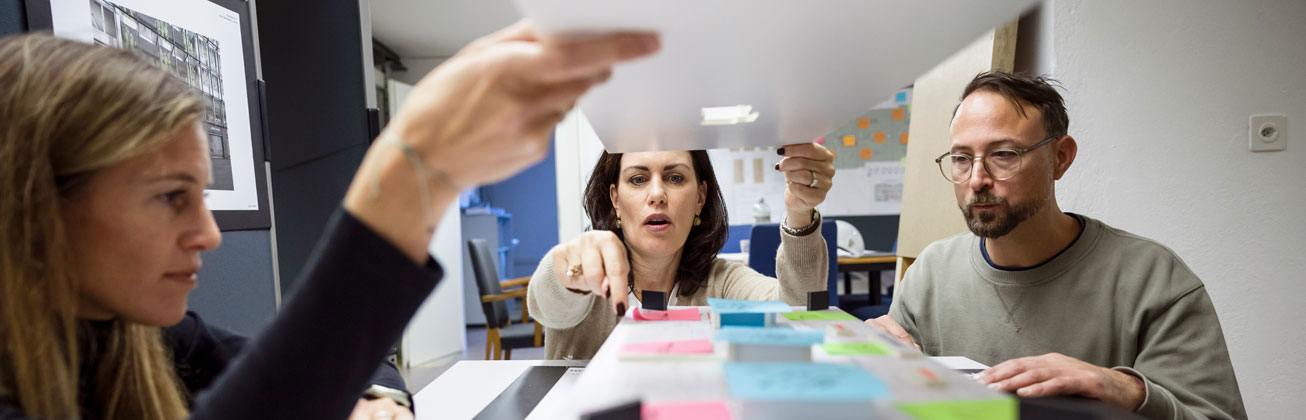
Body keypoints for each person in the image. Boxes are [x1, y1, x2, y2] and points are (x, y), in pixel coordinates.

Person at [0, 22, 658, 420]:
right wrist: (405, 180)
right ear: (36, 207)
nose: (209, 235)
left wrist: (381, 402)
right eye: (171, 196)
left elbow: (323, 369)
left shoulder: (149, 338)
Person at [864, 72, 1246, 420]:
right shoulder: (930, 273)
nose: (977, 179)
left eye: (1003, 155)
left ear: (1060, 158)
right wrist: (859, 362)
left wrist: (1129, 391)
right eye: (962, 158)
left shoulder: (1153, 279)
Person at [526, 144, 835, 360]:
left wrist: (799, 211)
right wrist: (569, 275)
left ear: (700, 197)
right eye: (638, 179)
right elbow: (545, 306)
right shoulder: (590, 274)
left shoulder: (722, 281)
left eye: (675, 178)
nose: (657, 194)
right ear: (615, 199)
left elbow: (799, 310)